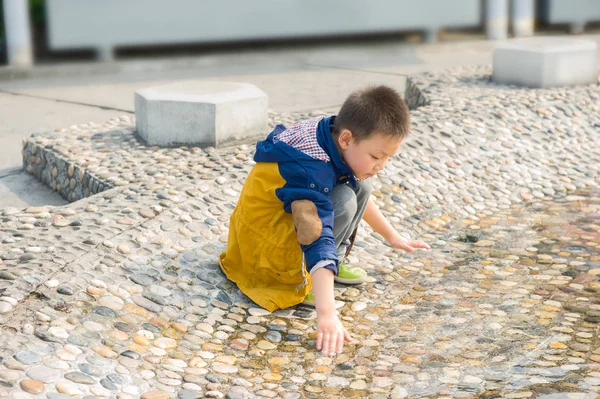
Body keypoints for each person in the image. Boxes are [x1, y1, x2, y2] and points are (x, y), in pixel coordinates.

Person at [219, 85, 429, 356]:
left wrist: (391, 236)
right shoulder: (310, 168)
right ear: (346, 139)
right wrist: (327, 313)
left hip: (284, 218)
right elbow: (315, 234)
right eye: (376, 156)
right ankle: (306, 279)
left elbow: (352, 187)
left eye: (388, 157)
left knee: (360, 187)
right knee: (343, 201)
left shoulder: (329, 133)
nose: (381, 166)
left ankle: (333, 265)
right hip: (263, 250)